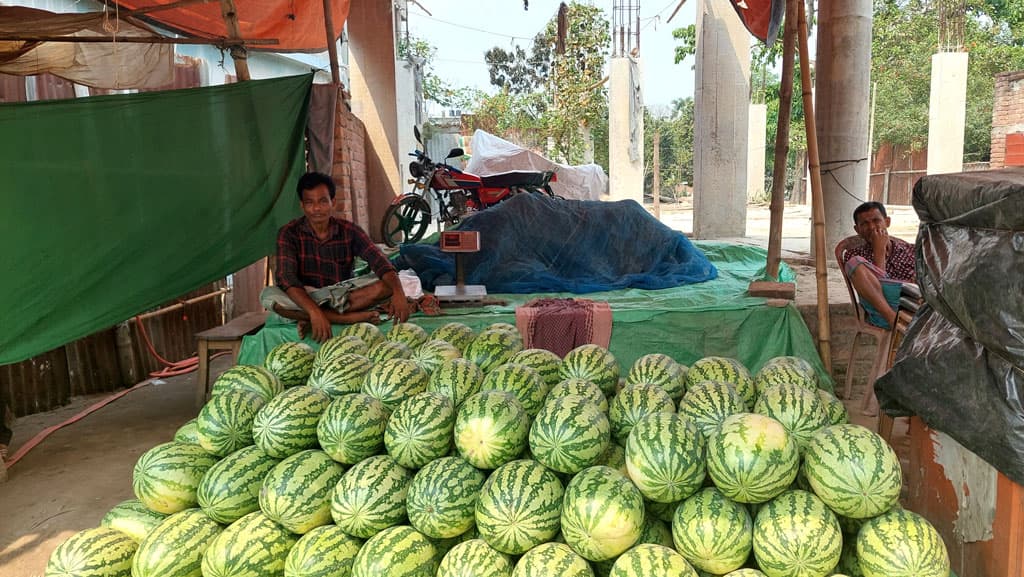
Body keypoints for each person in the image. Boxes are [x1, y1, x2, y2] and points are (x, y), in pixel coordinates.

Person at [261, 172, 412, 342]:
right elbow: (286, 278)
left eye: (323, 201)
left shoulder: (349, 231)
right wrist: (314, 311)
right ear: (302, 206)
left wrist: (398, 292)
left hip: (343, 297)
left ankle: (312, 318)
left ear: (333, 202)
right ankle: (346, 318)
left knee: (386, 284)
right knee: (269, 296)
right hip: (307, 297)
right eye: (310, 203)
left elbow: (381, 263)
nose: (316, 209)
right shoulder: (288, 233)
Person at [844, 201, 916, 329]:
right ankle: (893, 319)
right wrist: (879, 252)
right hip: (881, 312)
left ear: (887, 222)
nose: (871, 227)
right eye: (864, 224)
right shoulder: (853, 254)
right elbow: (878, 287)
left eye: (876, 220)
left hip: (911, 305)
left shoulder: (910, 250)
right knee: (854, 263)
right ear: (857, 230)